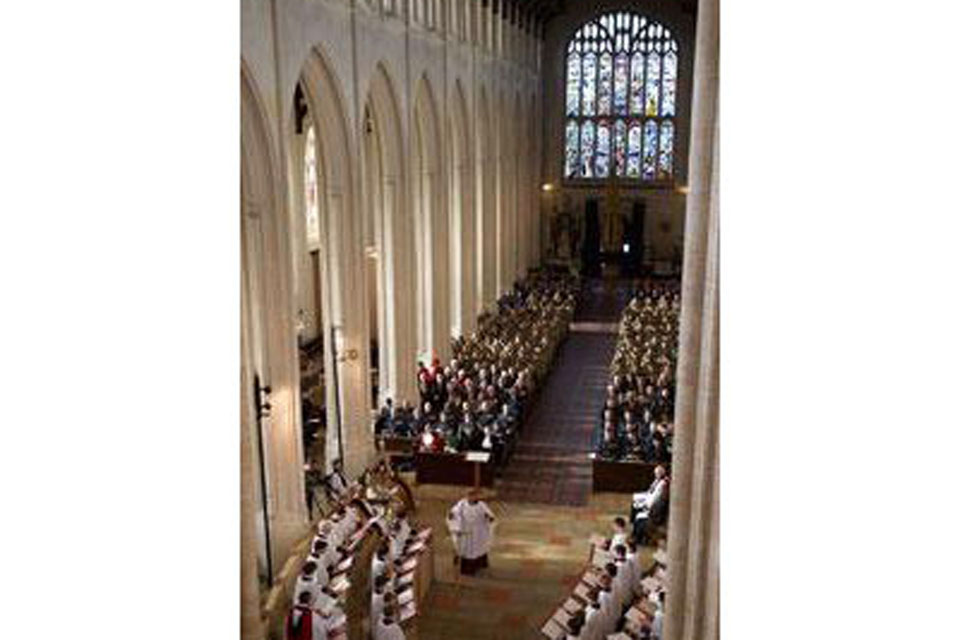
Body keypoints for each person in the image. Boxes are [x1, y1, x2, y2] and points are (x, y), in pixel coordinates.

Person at [447, 489, 496, 575]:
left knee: (476, 549)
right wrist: (452, 516)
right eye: (470, 495)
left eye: (474, 496)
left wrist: (489, 518)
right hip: (465, 530)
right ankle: (464, 568)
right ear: (467, 496)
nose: (472, 497)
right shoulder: (462, 504)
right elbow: (454, 512)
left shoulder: (481, 505)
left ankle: (476, 566)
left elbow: (489, 514)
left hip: (478, 532)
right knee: (464, 549)